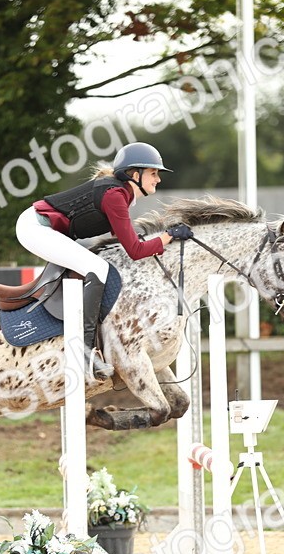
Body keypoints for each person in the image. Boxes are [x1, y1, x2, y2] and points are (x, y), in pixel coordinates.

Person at [15, 141, 192, 381]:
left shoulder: (121, 195)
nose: (158, 179)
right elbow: (135, 250)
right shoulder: (115, 196)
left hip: (43, 228)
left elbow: (126, 242)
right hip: (35, 228)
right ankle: (84, 351)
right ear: (135, 175)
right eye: (153, 173)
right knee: (98, 268)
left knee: (100, 265)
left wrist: (163, 238)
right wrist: (168, 236)